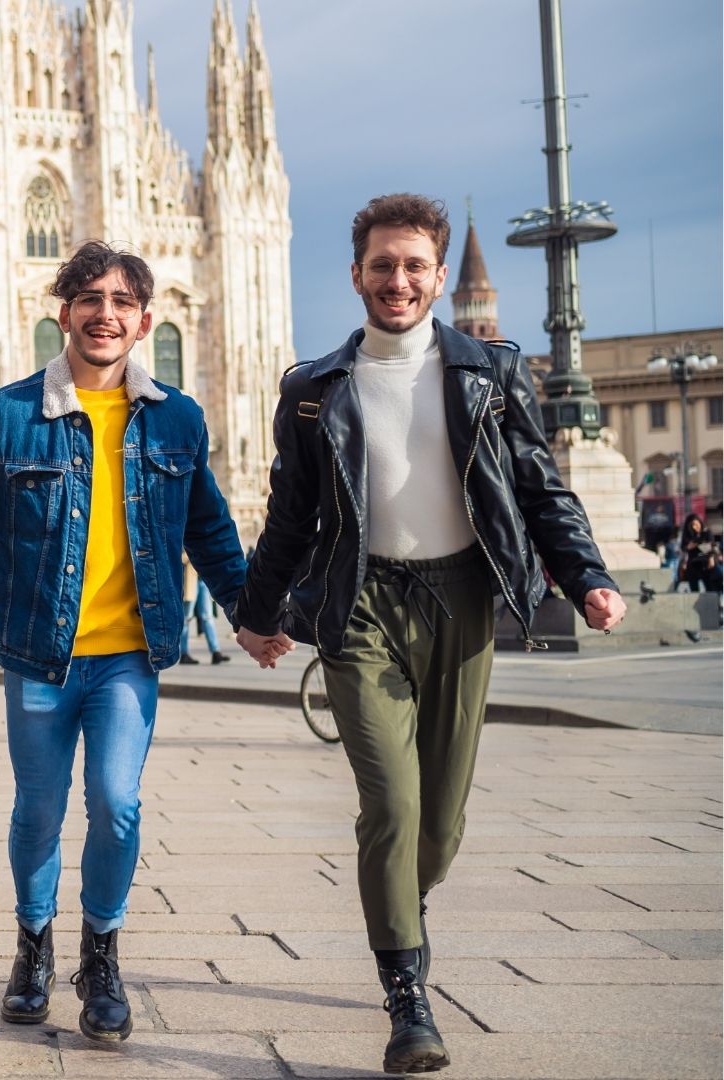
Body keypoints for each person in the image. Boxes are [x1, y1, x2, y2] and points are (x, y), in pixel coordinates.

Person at [233, 194, 627, 1075]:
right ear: (357, 276)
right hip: (360, 604)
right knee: (395, 805)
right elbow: (289, 516)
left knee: (439, 827)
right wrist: (257, 613)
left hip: (463, 600)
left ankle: (397, 909)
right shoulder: (313, 390)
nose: (398, 280)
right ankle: (408, 996)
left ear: (440, 277)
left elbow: (538, 487)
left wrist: (589, 575)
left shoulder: (490, 372)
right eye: (383, 265)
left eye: (415, 266)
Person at [0, 241, 250, 1043]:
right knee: (40, 812)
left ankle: (103, 956)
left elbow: (210, 529)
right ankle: (33, 944)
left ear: (144, 320)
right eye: (90, 298)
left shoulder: (178, 417)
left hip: (128, 654)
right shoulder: (5, 415)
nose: (105, 313)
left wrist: (248, 612)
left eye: (121, 301)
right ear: (64, 315)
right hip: (39, 654)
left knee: (117, 806)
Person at [176, 562, 230, 665]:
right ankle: (184, 653)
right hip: (190, 581)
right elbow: (178, 556)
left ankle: (216, 652)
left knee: (208, 617)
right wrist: (192, 554)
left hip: (205, 580)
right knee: (187, 617)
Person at [677, 513, 717, 592]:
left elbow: (711, 546)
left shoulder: (706, 532)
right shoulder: (688, 535)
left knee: (709, 586)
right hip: (692, 562)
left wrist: (711, 558)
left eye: (696, 524)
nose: (695, 527)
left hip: (704, 562)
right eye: (692, 525)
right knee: (693, 587)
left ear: (700, 522)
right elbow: (683, 548)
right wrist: (688, 547)